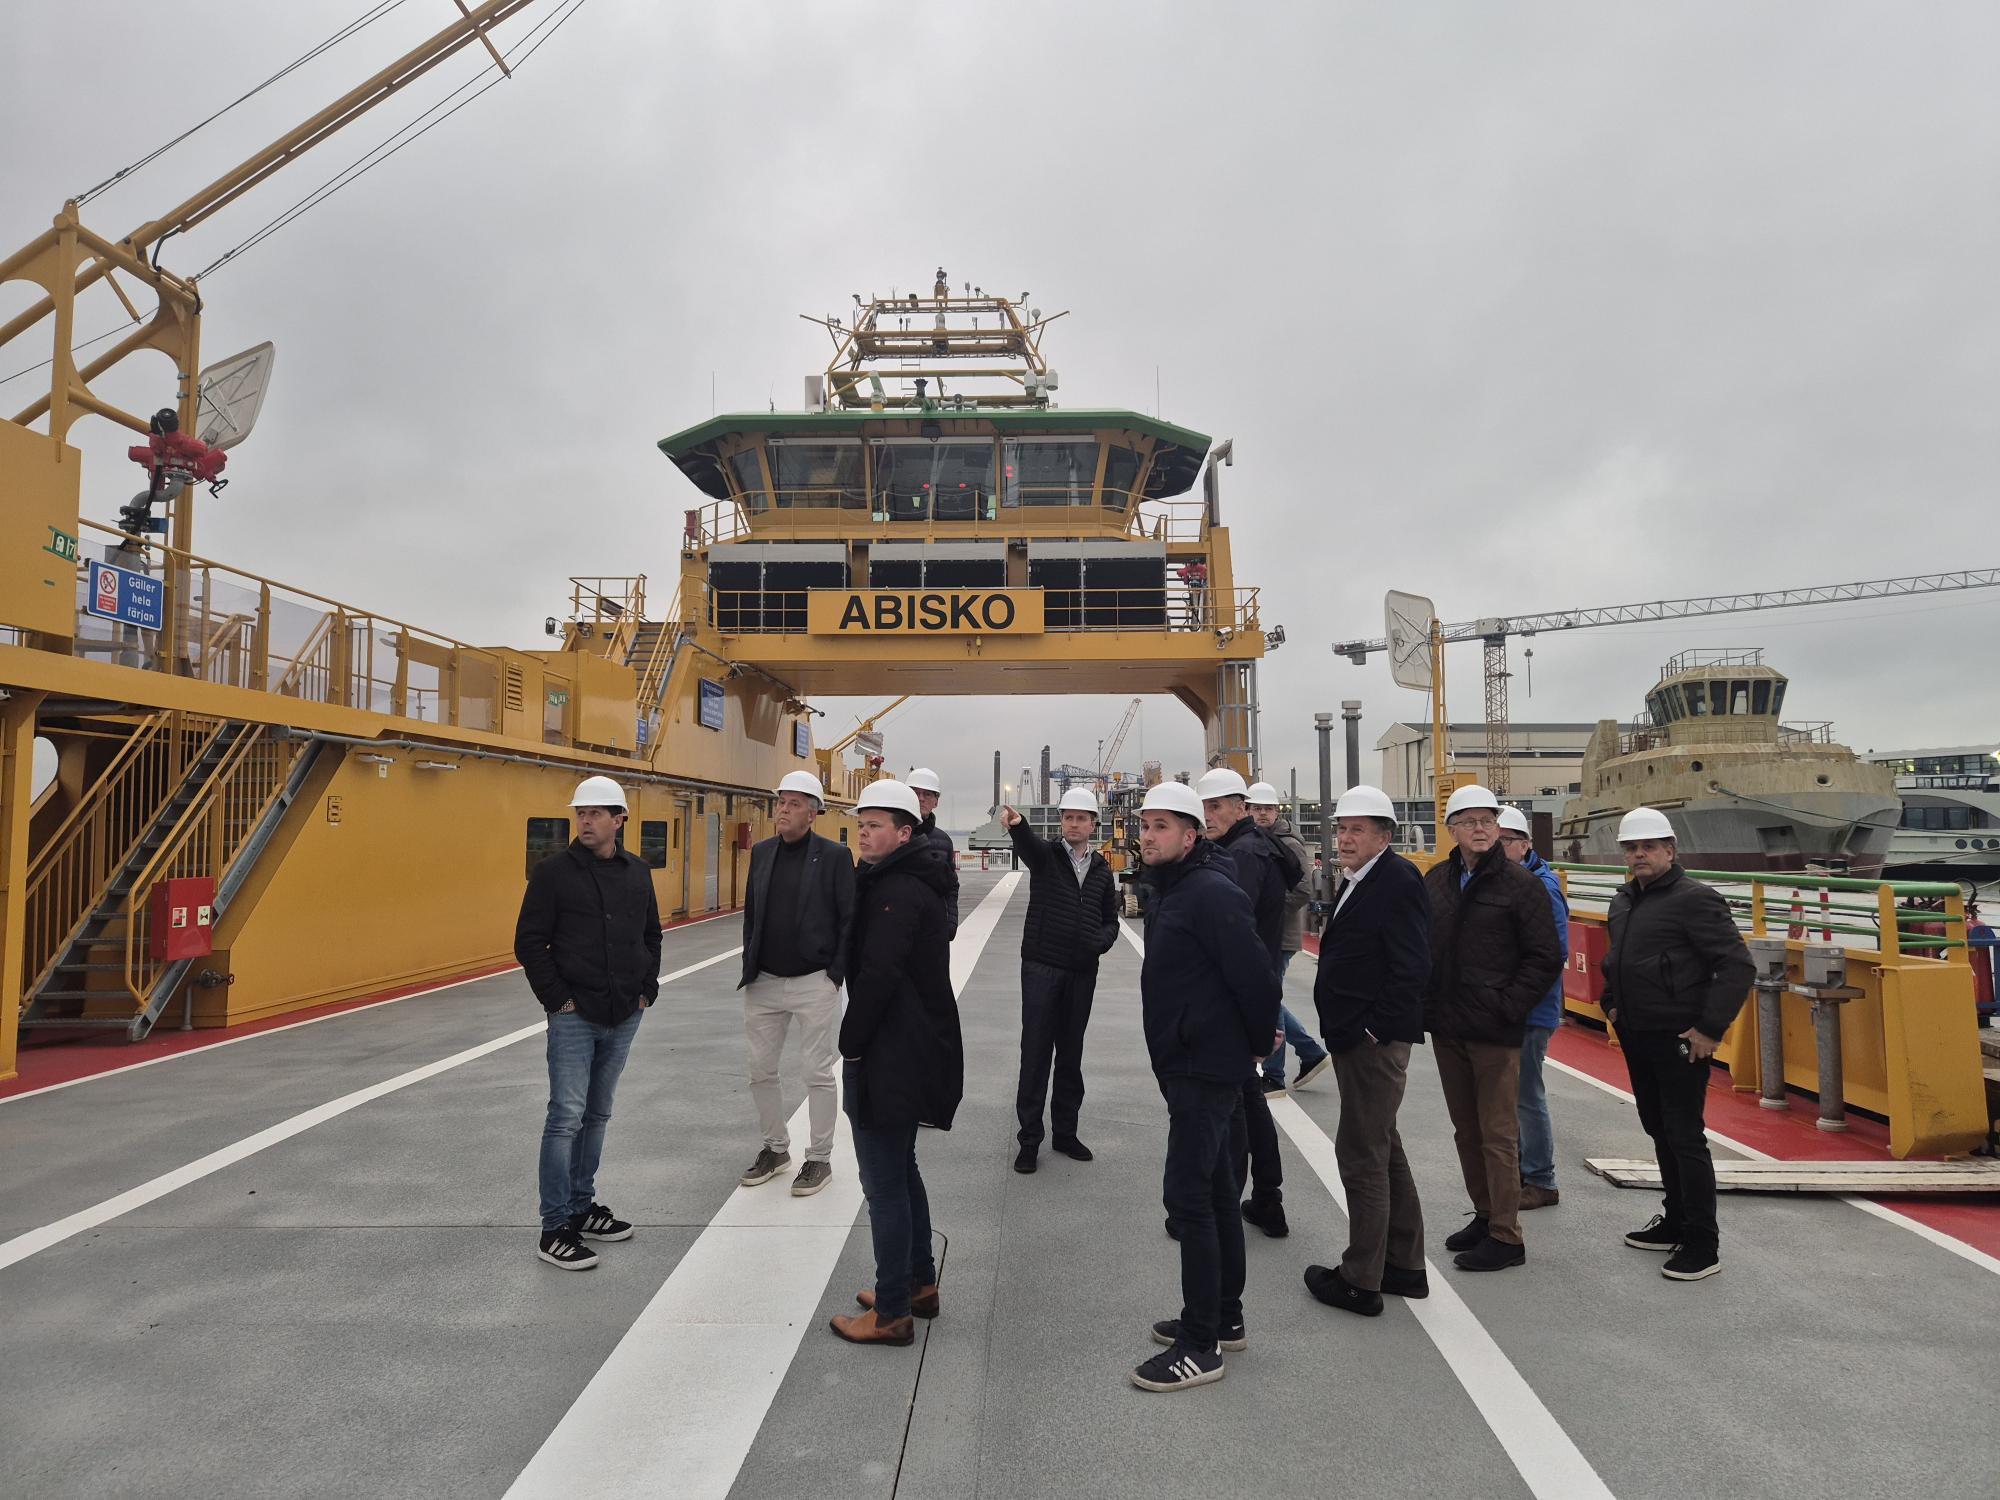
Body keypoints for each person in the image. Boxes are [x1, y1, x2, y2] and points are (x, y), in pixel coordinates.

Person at [1130, 780, 1281, 1391]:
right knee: (1218, 1193)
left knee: (1189, 1199)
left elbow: (1257, 976)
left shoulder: (1211, 893)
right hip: (1191, 1059)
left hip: (1204, 1065)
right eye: (1145, 825)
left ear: (1191, 836)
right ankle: (1224, 1316)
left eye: (1161, 826)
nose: (1147, 836)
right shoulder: (1176, 888)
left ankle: (1200, 1345)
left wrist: (1254, 1044)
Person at [830, 780, 965, 1345]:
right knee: (902, 1168)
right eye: (860, 824)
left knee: (882, 1181)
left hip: (891, 1050)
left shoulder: (895, 891)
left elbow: (878, 975)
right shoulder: (906, 881)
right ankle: (918, 1284)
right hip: (914, 1044)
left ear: (905, 833)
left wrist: (851, 1042)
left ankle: (890, 1313)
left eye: (876, 825)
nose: (864, 833)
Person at [515, 775, 662, 1271]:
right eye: (581, 813)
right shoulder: (553, 874)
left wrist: (647, 988)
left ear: (619, 819)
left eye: (596, 813)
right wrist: (558, 1000)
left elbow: (651, 935)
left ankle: (581, 1207)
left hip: (624, 1012)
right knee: (565, 1118)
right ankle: (554, 1226)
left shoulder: (637, 872)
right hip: (575, 1017)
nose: (586, 821)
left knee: (597, 1115)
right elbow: (529, 941)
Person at [1605, 806, 1755, 1282]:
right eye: (1632, 848)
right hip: (1637, 1032)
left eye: (1649, 847)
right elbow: (1618, 959)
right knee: (1658, 1128)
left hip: (1679, 1038)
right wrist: (1612, 1003)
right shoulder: (1624, 901)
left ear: (1670, 850)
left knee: (1685, 1136)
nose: (1639, 855)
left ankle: (1702, 1243)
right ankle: (1675, 1220)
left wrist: (1710, 1029)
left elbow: (1737, 966)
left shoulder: (1695, 899)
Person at [1302, 786, 1432, 1316]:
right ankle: (1404, 1264)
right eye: (1341, 828)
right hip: (1358, 1038)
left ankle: (1360, 1280)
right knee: (1384, 1146)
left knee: (1360, 1155)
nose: (1345, 838)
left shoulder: (1396, 880)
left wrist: (1375, 1030)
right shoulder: (1363, 878)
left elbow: (1412, 965)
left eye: (1357, 829)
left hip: (1370, 1044)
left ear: (1384, 835)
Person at [1422, 784, 1561, 1273]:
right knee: (1466, 1130)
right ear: (1452, 830)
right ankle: (1484, 1215)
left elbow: (1546, 956)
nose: (1480, 829)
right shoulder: (1437, 881)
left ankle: (1506, 1236)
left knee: (1498, 1134)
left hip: (1495, 1031)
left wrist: (1508, 1007)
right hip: (1449, 1026)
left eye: (1487, 820)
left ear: (1498, 828)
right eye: (1469, 821)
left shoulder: (1520, 885)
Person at [738, 770, 855, 1198]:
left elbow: (849, 918)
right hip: (764, 981)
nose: (783, 810)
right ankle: (775, 1149)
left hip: (814, 981)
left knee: (817, 1071)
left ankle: (819, 1158)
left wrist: (834, 975)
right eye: (781, 802)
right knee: (760, 1070)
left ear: (813, 813)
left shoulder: (835, 856)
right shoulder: (762, 852)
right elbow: (753, 913)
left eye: (793, 804)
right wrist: (751, 963)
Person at [1194, 766, 1299, 1240]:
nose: (1208, 815)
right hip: (1251, 987)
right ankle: (1268, 1199)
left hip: (1237, 994)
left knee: (1232, 1106)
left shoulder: (1243, 855)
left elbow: (1235, 931)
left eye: (1216, 806)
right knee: (1250, 1099)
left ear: (1240, 807)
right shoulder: (1254, 847)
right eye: (1204, 807)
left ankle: (1225, 1207)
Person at [1001, 789, 1120, 1172]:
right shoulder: (1047, 857)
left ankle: (1066, 1134)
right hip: (1042, 968)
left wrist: (1097, 944)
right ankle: (1029, 1141)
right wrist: (1018, 826)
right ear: (1062, 821)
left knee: (1071, 1055)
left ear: (1093, 824)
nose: (1073, 824)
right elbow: (1028, 845)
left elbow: (1111, 920)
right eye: (1068, 817)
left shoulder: (1101, 870)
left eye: (1081, 818)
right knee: (1035, 1054)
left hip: (1082, 973)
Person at [1497, 806, 1569, 1210]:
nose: (1499, 847)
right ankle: (1525, 1171)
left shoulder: (1542, 888)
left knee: (1526, 1094)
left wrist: (1515, 1001)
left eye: (1507, 840)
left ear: (1525, 845)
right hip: (1513, 1007)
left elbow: (1553, 952)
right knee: (1512, 1094)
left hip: (1531, 1010)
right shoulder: (1512, 881)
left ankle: (1541, 1179)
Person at [1246, 782, 1330, 1095]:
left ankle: (1274, 1075)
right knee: (1272, 999)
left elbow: (1303, 890)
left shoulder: (1287, 843)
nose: (1262, 814)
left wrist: (1268, 908)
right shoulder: (1259, 839)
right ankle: (1311, 1053)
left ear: (1276, 811)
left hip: (1280, 933)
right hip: (1268, 932)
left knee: (1269, 1001)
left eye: (1267, 809)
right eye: (1257, 808)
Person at [904, 767, 961, 937]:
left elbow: (951, 885)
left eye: (927, 794)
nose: (921, 798)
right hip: (897, 929)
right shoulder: (891, 835)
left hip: (933, 932)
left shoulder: (944, 841)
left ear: (936, 802)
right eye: (915, 793)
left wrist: (950, 923)